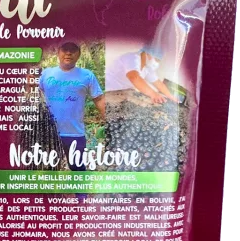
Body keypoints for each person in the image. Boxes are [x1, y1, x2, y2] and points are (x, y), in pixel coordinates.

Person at [38, 41, 106, 171]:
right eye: (65, 49)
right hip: (48, 132)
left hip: (75, 132)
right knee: (49, 168)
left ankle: (80, 186)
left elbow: (99, 99)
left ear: (79, 54)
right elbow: (33, 94)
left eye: (73, 50)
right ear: (58, 52)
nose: (68, 53)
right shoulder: (46, 74)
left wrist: (110, 122)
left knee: (78, 168)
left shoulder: (87, 75)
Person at [106, 48, 179, 104]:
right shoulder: (132, 58)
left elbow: (159, 84)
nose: (156, 63)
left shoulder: (147, 68)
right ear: (147, 53)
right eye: (156, 59)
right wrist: (153, 94)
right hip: (108, 90)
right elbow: (134, 77)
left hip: (121, 92)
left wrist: (171, 97)